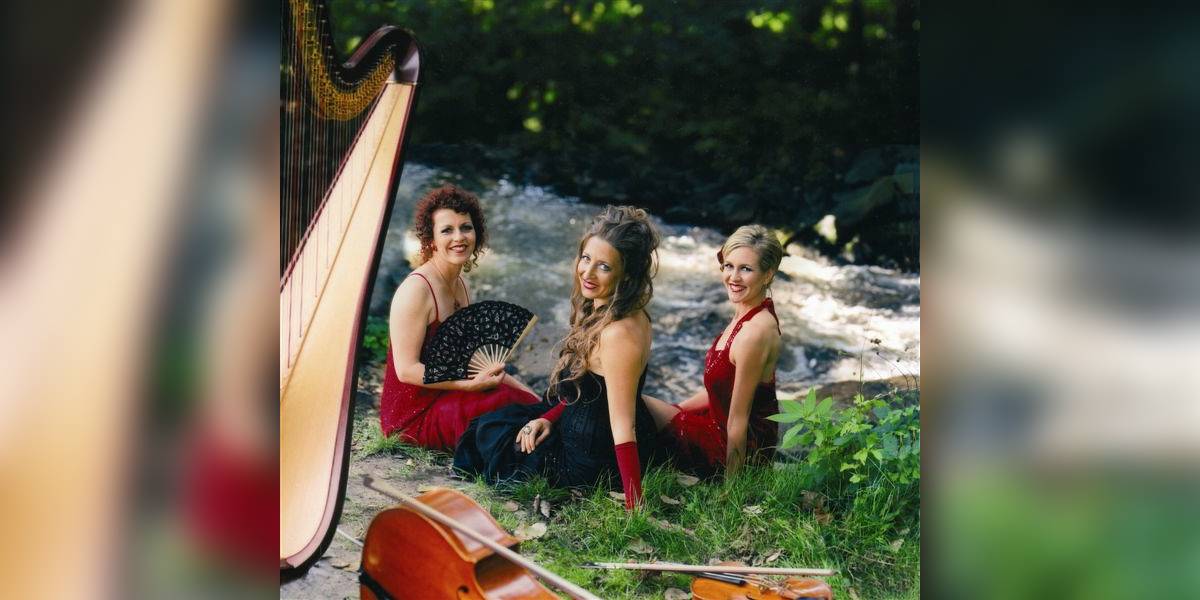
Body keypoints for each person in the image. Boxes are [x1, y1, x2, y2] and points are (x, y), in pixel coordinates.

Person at [454, 206, 661, 511]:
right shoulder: (614, 309)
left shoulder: (619, 334)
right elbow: (592, 392)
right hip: (581, 427)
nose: (587, 273)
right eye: (586, 258)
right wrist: (548, 418)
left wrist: (635, 504)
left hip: (586, 458)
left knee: (491, 436)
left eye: (604, 266)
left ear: (626, 273)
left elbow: (622, 424)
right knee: (502, 422)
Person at [379, 185, 539, 451]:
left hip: (447, 394)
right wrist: (468, 386)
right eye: (447, 230)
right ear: (431, 239)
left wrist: (529, 395)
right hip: (413, 417)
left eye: (466, 227)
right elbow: (406, 370)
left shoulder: (462, 285)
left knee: (521, 402)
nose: (459, 237)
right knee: (502, 405)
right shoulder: (416, 290)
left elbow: (467, 357)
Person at [644, 224, 784, 476]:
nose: (733, 277)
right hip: (718, 425)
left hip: (729, 448)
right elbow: (721, 390)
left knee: (636, 408)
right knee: (640, 408)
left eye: (746, 269)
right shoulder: (748, 312)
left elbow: (738, 420)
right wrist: (676, 410)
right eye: (729, 266)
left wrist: (732, 489)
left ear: (767, 275)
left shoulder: (755, 332)